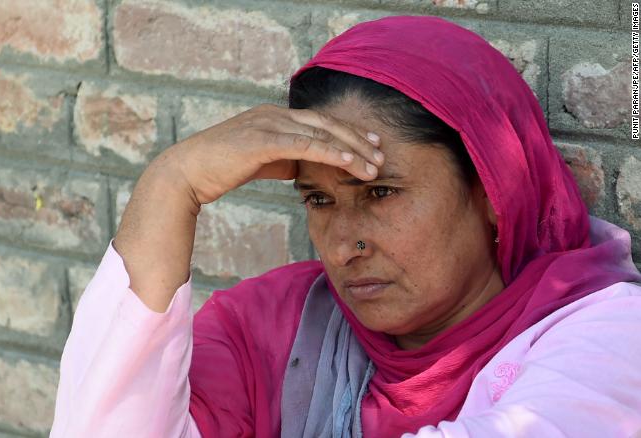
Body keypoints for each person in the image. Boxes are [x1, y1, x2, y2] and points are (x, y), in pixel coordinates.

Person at [49, 15, 641, 438]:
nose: (343, 242)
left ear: (493, 190)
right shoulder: (267, 328)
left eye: (380, 192)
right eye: (319, 199)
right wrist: (170, 185)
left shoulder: (607, 338)